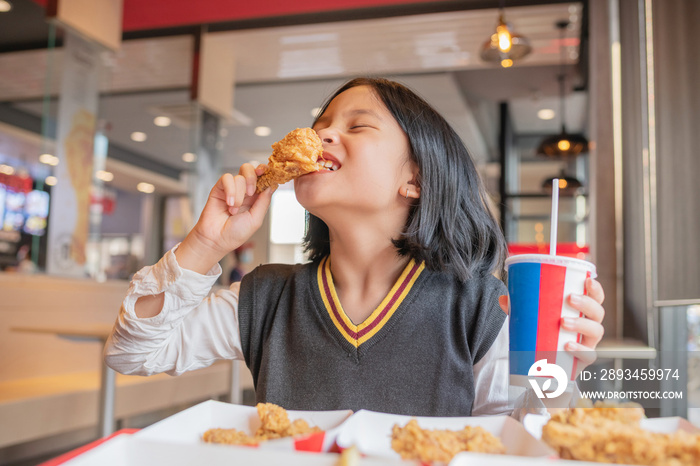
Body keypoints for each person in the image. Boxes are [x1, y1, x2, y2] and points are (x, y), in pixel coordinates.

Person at [104, 77, 605, 417]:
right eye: (322, 124)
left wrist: (558, 376)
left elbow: (508, 436)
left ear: (417, 180)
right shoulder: (266, 298)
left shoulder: (477, 303)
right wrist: (207, 243)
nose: (322, 134)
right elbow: (131, 354)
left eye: (356, 125)